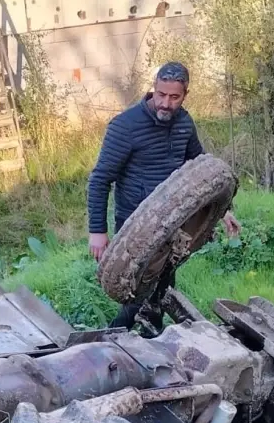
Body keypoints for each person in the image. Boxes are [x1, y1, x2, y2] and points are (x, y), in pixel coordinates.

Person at [87, 61, 240, 330]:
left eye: (174, 97)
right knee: (138, 291)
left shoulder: (184, 122)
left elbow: (199, 166)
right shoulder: (125, 127)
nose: (166, 104)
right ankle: (112, 338)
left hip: (175, 223)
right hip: (136, 225)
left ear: (185, 95)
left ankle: (152, 334)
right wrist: (97, 231)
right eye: (161, 94)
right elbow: (100, 179)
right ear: (153, 89)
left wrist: (222, 210)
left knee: (163, 282)